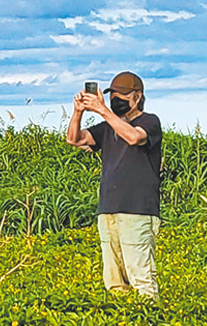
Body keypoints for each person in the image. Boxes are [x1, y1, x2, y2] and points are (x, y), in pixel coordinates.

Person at [65, 71, 163, 301]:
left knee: (141, 275)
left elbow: (133, 137)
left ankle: (150, 315)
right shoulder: (107, 128)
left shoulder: (150, 121)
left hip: (137, 210)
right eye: (112, 95)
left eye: (122, 95)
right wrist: (78, 112)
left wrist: (102, 110)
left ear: (137, 97)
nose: (115, 100)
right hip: (109, 208)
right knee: (114, 279)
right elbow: (74, 139)